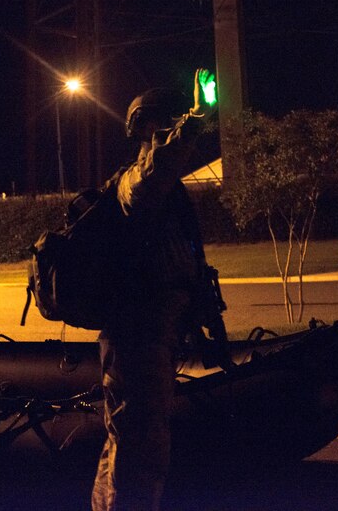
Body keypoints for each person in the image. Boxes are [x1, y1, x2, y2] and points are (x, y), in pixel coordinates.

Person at [91, 69, 231, 511]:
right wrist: (194, 119)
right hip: (136, 343)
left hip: (157, 341)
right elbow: (150, 180)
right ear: (151, 130)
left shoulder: (169, 197)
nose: (182, 141)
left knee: (129, 450)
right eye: (171, 126)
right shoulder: (136, 182)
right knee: (138, 457)